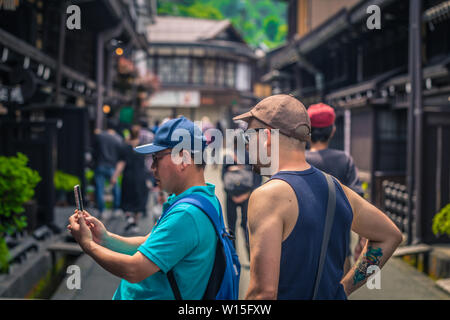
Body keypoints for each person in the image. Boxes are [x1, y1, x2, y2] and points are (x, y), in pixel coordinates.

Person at [233, 94, 402, 300]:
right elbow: (390, 236)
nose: (247, 145)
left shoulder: (268, 196)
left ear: (267, 137)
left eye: (249, 136)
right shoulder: (337, 188)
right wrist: (345, 288)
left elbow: (263, 293)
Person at [68, 117, 222, 300]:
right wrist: (105, 238)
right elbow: (148, 243)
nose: (152, 167)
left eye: (157, 159)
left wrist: (88, 245)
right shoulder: (204, 199)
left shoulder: (186, 214)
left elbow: (134, 269)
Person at [305, 103, 364, 273]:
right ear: (332, 130)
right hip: (339, 244)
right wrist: (362, 238)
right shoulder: (344, 160)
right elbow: (358, 201)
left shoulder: (298, 160)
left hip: (303, 244)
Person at [221, 132, 261, 257]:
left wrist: (232, 194)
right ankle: (251, 256)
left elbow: (223, 177)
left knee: (231, 227)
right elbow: (257, 179)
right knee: (247, 226)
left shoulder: (228, 157)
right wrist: (248, 194)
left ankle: (233, 256)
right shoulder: (252, 157)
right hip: (248, 197)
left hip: (231, 196)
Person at [111, 124, 148, 233]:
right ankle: (135, 223)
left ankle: (129, 219)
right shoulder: (142, 147)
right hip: (140, 177)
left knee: (126, 200)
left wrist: (114, 176)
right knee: (139, 200)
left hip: (128, 177)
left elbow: (121, 163)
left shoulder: (125, 147)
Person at [92, 121, 123, 219]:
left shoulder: (100, 136)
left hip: (100, 164)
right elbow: (120, 156)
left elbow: (94, 151)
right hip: (113, 166)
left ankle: (102, 210)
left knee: (99, 189)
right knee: (115, 188)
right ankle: (116, 209)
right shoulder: (118, 139)